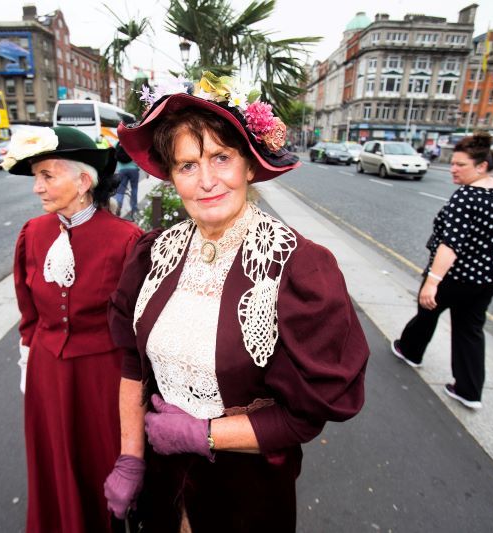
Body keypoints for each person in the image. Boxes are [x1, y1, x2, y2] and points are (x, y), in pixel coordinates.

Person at [103, 73, 369, 532]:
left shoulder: (298, 267)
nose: (206, 181)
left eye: (220, 158)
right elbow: (132, 361)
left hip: (247, 494)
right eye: (187, 166)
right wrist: (130, 457)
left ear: (249, 165)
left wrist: (202, 434)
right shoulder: (151, 254)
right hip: (162, 483)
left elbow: (307, 415)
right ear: (171, 177)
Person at [3, 126, 143, 532]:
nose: (37, 188)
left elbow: (137, 322)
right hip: (47, 374)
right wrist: (29, 358)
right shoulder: (32, 233)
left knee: (100, 461)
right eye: (36, 177)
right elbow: (27, 312)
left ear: (83, 181)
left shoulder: (126, 239)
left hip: (103, 378)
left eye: (48, 175)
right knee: (54, 461)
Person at [391, 132, 493, 410]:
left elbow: (450, 246)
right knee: (470, 329)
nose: (453, 168)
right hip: (490, 276)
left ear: (481, 166)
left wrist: (432, 282)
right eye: (453, 163)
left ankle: (410, 351)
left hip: (456, 276)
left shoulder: (466, 196)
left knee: (427, 311)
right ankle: (469, 391)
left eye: (460, 164)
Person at [113, 141, 140, 219]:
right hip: (134, 170)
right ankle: (134, 209)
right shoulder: (132, 144)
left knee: (120, 190)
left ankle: (118, 208)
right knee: (134, 189)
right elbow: (139, 157)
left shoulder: (117, 144)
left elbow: (113, 156)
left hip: (122, 170)